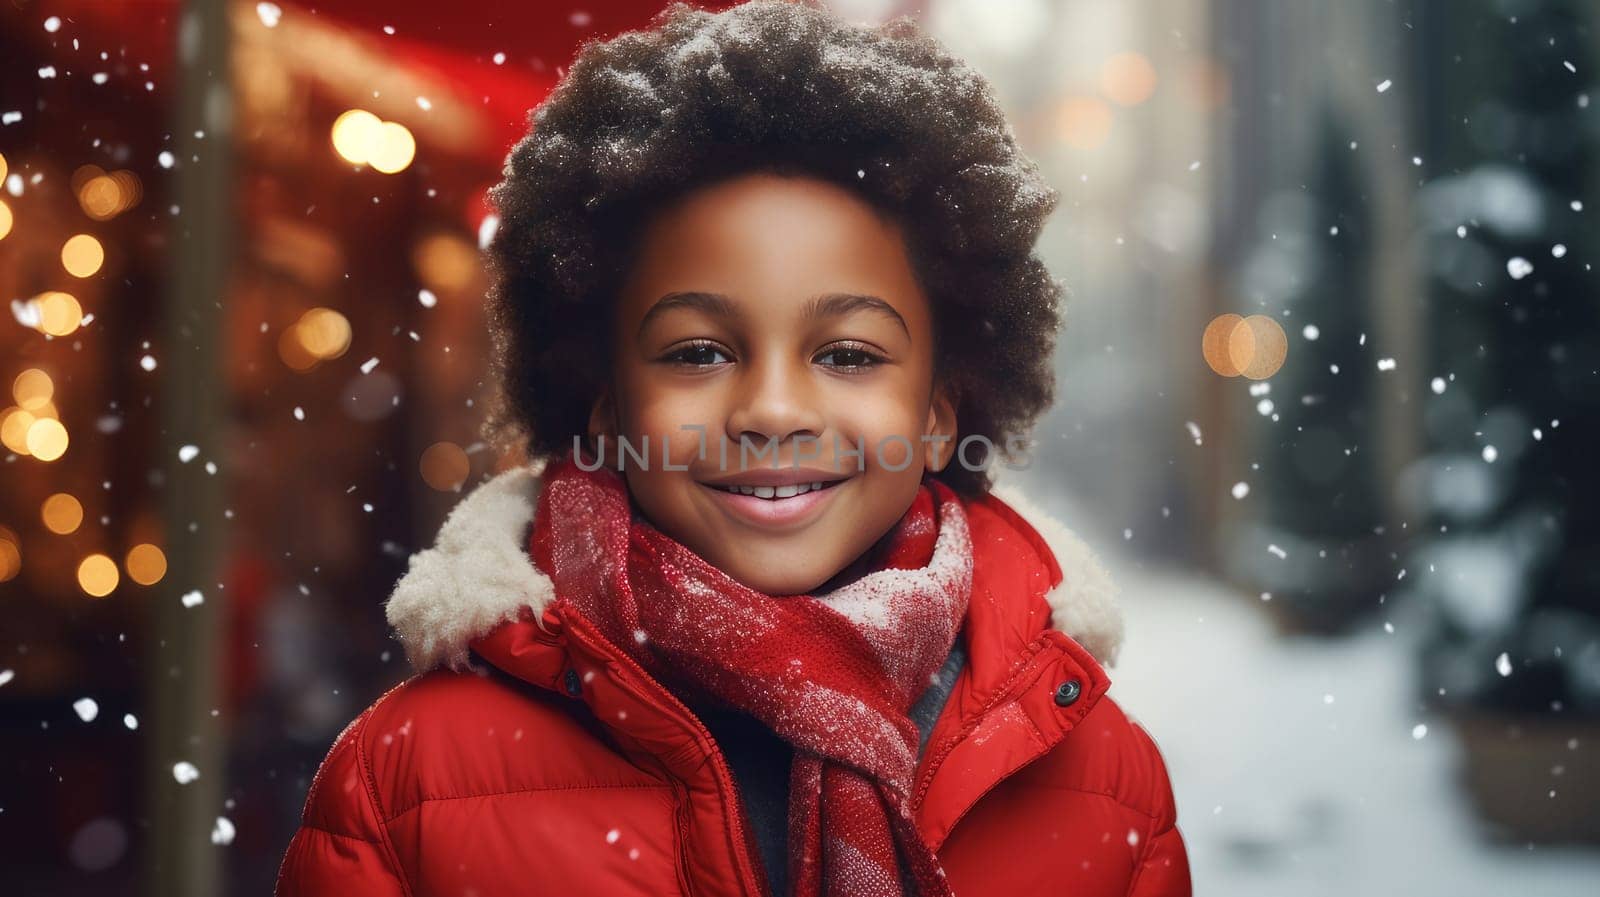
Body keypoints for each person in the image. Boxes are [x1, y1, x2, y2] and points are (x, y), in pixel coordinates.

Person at [274, 2, 1190, 895]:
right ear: (603, 403)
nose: (774, 408)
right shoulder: (410, 785)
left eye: (847, 354)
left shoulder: (1107, 788)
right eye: (699, 352)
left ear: (942, 411)